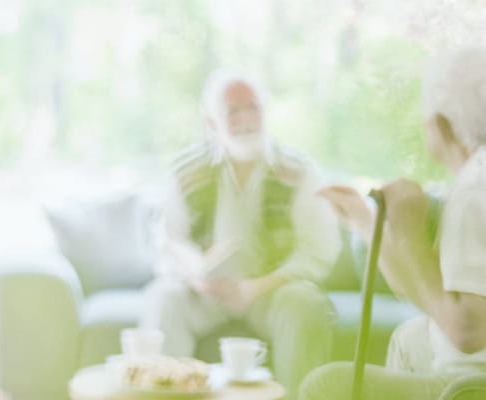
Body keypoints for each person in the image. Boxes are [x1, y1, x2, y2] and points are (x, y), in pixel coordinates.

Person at [140, 71, 341, 398]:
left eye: (253, 108)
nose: (246, 119)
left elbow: (317, 251)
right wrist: (194, 272)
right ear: (211, 123)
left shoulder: (300, 172)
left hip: (271, 292)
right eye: (233, 111)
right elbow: (170, 240)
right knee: (161, 299)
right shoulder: (186, 170)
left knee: (306, 303)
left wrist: (254, 288)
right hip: (206, 293)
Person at [300, 47, 486, 400]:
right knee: (410, 338)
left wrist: (412, 233)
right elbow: (426, 289)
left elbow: (467, 329)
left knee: (323, 385)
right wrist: (365, 224)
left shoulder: (475, 188)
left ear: (441, 125)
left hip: (474, 384)